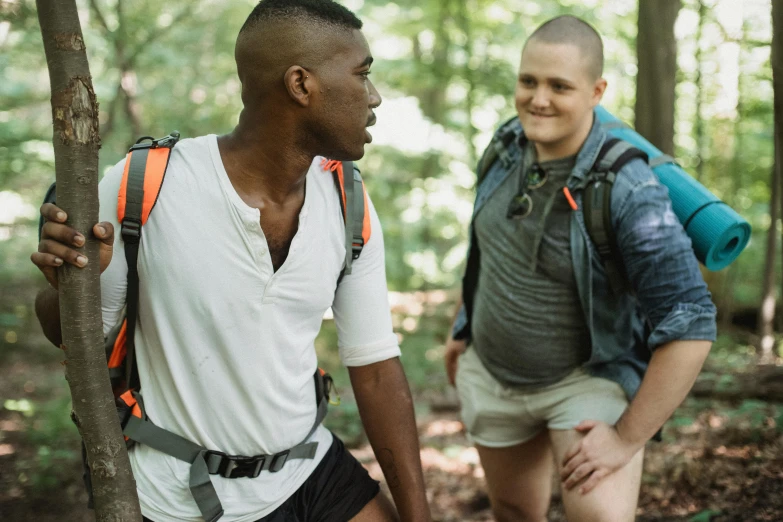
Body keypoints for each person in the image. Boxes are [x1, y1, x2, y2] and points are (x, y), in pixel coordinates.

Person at [31, 1, 431, 521]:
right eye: (363, 75)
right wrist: (72, 282)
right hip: (177, 494)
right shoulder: (145, 185)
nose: (373, 97)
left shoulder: (347, 199)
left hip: (308, 469)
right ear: (300, 85)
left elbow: (376, 368)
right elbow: (76, 334)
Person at [444, 15, 717, 522]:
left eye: (559, 86)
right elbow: (490, 243)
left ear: (596, 91)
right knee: (512, 511)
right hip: (491, 374)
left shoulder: (629, 190)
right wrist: (463, 325)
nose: (538, 98)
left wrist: (625, 438)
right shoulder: (506, 145)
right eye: (528, 81)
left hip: (585, 380)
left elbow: (691, 321)